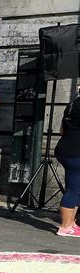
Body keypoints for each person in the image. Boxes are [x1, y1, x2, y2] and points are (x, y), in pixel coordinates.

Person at [54, 92, 80, 236]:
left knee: (77, 188)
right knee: (73, 188)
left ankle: (71, 223)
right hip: (75, 152)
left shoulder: (72, 104)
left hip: (65, 147)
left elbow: (62, 129)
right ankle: (65, 227)